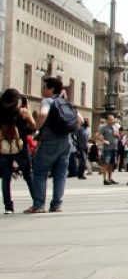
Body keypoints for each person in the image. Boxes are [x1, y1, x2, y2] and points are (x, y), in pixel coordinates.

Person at [28, 77, 83, 214]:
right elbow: (81, 120)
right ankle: (56, 205)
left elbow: (42, 114)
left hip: (49, 141)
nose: (43, 90)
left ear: (51, 89)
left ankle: (39, 205)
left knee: (40, 173)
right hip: (66, 142)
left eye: (44, 87)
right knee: (60, 175)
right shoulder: (67, 102)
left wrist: (36, 128)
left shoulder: (48, 101)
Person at [0, 89, 35, 214]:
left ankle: (8, 207)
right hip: (21, 147)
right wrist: (27, 107)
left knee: (6, 178)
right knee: (28, 175)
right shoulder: (22, 112)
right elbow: (33, 125)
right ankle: (37, 202)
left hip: (4, 148)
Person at [98, 113, 118, 185]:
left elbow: (118, 136)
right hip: (107, 149)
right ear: (107, 120)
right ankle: (104, 179)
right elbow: (97, 136)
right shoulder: (103, 128)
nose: (111, 121)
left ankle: (110, 178)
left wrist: (117, 135)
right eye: (110, 120)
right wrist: (104, 141)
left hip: (114, 148)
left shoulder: (115, 127)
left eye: (112, 120)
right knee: (106, 163)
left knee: (111, 164)